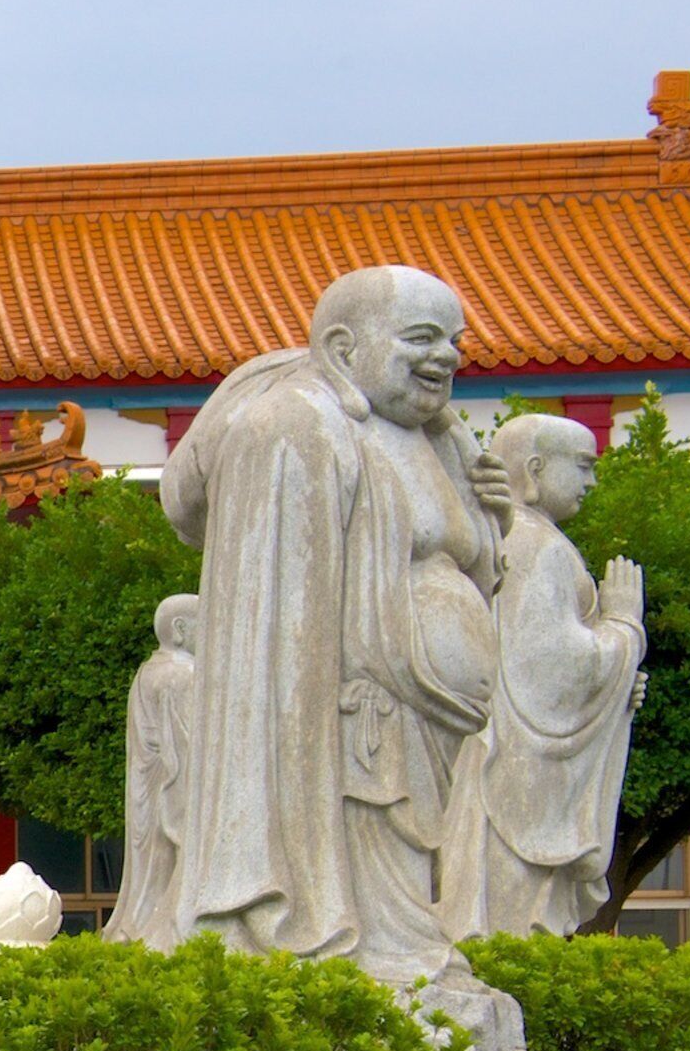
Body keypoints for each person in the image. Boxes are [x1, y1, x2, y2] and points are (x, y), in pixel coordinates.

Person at [158, 265, 504, 988]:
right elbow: (276, 619)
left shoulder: (434, 441)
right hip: (358, 714)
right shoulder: (299, 425)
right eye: (420, 339)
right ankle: (356, 937)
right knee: (372, 865)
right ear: (345, 349)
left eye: (453, 342)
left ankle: (403, 944)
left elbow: (470, 561)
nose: (445, 357)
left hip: (430, 716)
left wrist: (490, 514)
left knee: (411, 883)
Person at [444, 416, 644, 935]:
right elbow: (553, 674)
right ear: (534, 470)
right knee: (511, 924)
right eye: (583, 466)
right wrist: (623, 626)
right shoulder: (537, 546)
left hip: (486, 758)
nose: (591, 482)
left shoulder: (509, 536)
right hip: (514, 777)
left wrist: (617, 688)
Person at [105, 594, 200, 944]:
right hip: (171, 786)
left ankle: (136, 928)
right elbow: (193, 748)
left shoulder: (147, 671)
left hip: (147, 788)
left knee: (148, 872)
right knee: (171, 869)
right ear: (179, 629)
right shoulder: (183, 675)